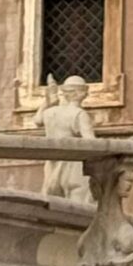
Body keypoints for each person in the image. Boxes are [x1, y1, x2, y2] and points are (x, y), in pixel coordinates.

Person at [37, 72, 99, 202]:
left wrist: (48, 102)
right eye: (85, 92)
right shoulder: (80, 114)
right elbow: (91, 142)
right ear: (79, 94)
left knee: (54, 206)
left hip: (52, 164)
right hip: (72, 165)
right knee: (79, 204)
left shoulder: (49, 112)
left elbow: (37, 120)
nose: (86, 94)